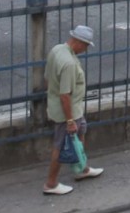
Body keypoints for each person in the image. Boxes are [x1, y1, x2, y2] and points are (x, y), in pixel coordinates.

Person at [42, 25, 103, 196]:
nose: (85, 49)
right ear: (78, 42)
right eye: (85, 45)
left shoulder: (57, 50)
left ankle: (81, 168)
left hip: (73, 109)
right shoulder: (69, 63)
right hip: (66, 112)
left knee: (81, 131)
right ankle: (51, 183)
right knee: (61, 146)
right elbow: (65, 95)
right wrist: (69, 121)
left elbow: (48, 78)